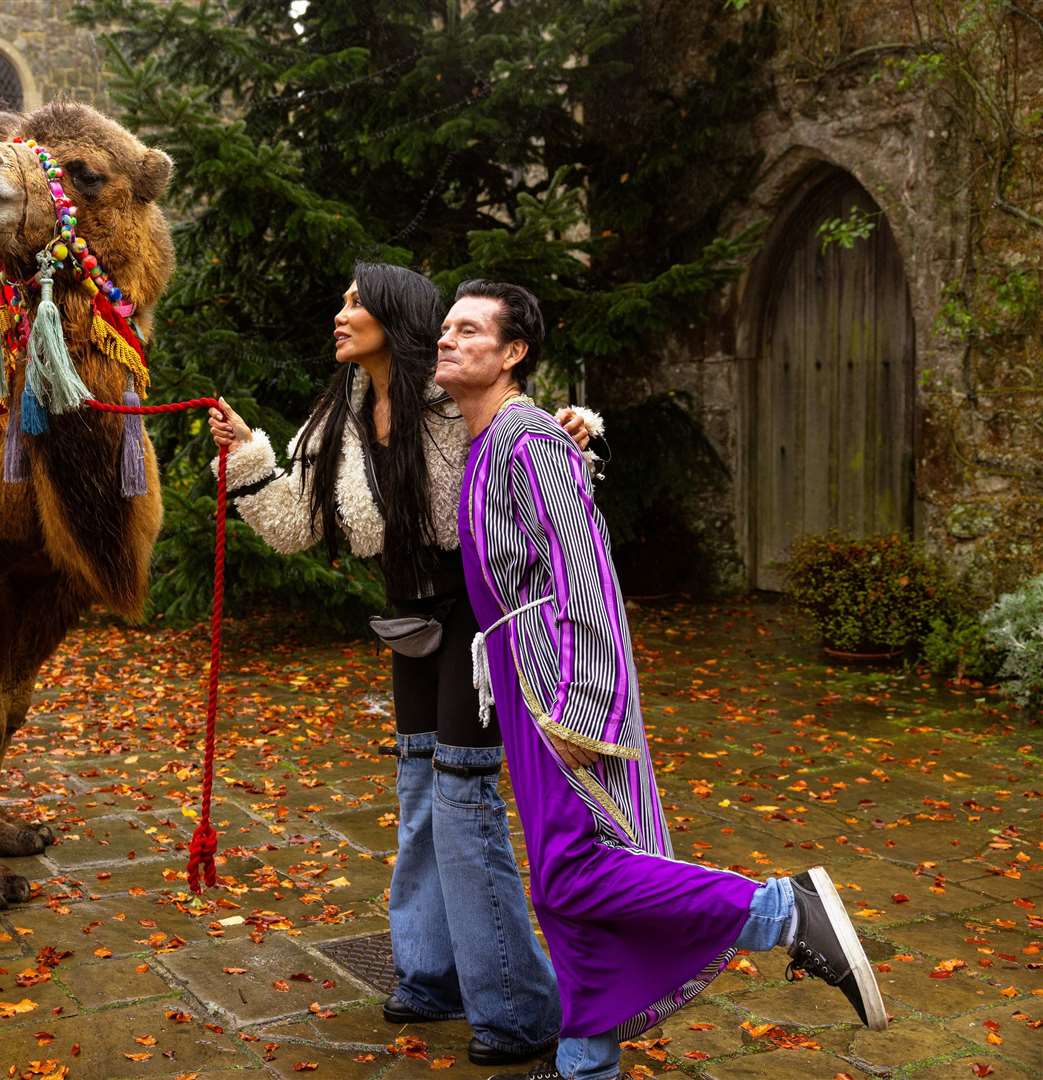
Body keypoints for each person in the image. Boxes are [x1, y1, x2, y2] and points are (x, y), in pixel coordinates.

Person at [432, 279, 888, 1080]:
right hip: (520, 670)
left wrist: (582, 704)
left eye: (469, 330)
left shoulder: (526, 440)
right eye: (445, 328)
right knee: (559, 881)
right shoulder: (489, 443)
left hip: (559, 680)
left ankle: (782, 911)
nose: (447, 339)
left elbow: (586, 571)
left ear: (512, 354)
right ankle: (584, 1059)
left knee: (576, 867)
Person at [208, 262, 595, 1068]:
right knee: (420, 793)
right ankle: (429, 974)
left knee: (462, 799)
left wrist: (573, 433)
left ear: (395, 315)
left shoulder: (450, 402)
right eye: (343, 299)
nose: (342, 314)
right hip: (409, 623)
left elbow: (535, 473)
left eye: (357, 303)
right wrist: (246, 456)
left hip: (481, 623)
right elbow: (293, 528)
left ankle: (521, 1009)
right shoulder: (337, 421)